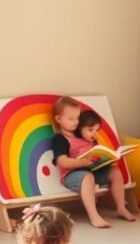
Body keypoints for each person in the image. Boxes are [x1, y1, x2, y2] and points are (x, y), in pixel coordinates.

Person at [51, 96, 135, 229]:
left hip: (91, 170)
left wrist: (108, 157)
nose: (75, 122)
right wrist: (83, 162)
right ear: (58, 119)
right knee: (87, 177)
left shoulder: (83, 134)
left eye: (77, 118)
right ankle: (94, 215)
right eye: (71, 119)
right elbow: (63, 162)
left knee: (115, 171)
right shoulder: (60, 139)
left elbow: (96, 152)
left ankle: (121, 207)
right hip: (72, 175)